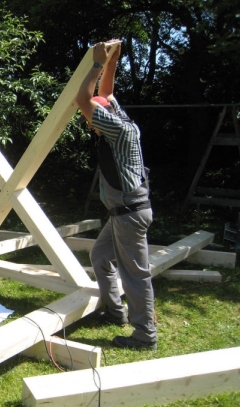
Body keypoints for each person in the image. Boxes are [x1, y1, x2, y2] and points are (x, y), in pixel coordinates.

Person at [75, 41, 157, 350]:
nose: (89, 124)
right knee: (99, 256)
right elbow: (106, 94)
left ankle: (145, 335)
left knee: (135, 275)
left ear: (102, 118)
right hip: (124, 212)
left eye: (91, 120)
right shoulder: (123, 120)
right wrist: (112, 61)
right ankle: (114, 312)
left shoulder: (117, 130)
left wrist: (96, 64)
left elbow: (83, 98)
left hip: (129, 214)